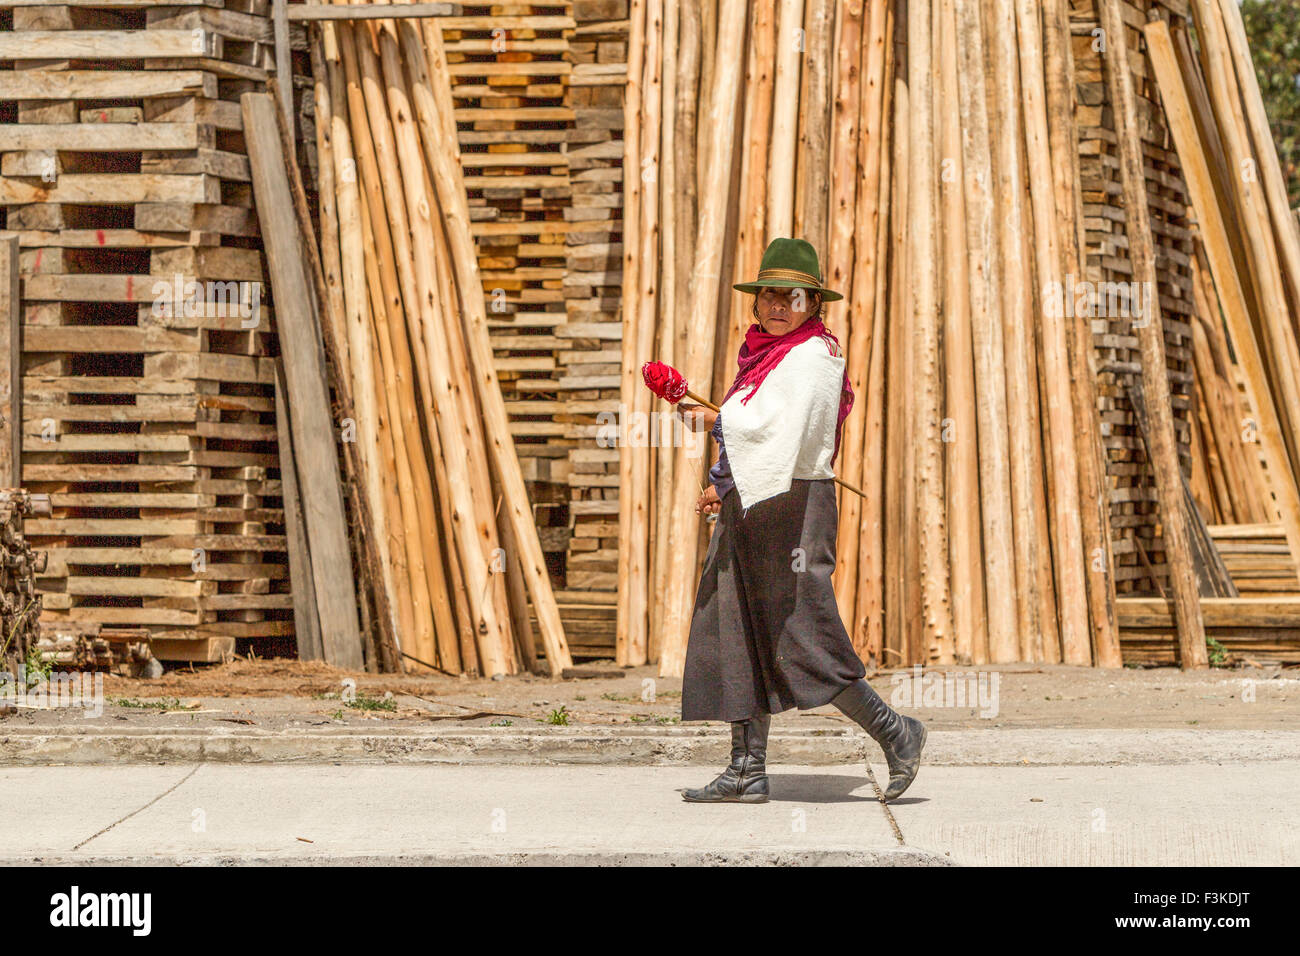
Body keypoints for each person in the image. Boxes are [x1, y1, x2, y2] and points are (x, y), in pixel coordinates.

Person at [674, 237, 926, 805]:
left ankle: (897, 732)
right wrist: (726, 485)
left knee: (803, 634)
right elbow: (755, 431)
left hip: (796, 509)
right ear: (757, 300)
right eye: (769, 294)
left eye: (792, 296)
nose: (778, 305)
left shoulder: (817, 356)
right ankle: (746, 768)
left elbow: (776, 433)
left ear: (814, 303)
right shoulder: (761, 355)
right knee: (736, 626)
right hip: (754, 503)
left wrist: (715, 417)